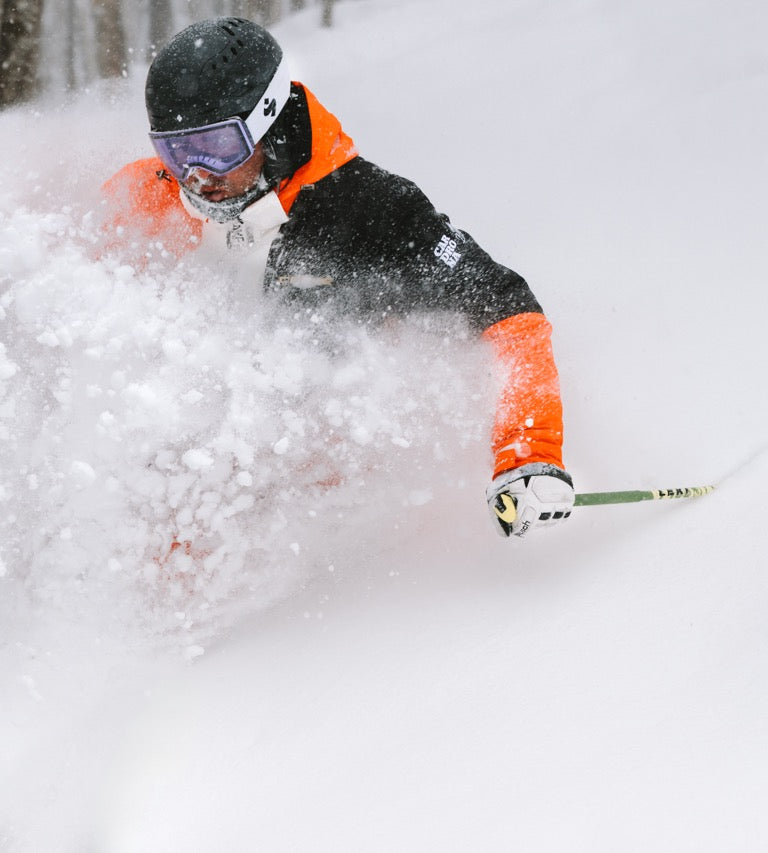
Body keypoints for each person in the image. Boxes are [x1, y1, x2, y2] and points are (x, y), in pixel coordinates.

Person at [101, 17, 573, 538]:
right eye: (175, 150)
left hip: (316, 500)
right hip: (184, 472)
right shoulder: (158, 193)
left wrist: (527, 453)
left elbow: (507, 306)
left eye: (217, 146)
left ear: (269, 123)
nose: (196, 175)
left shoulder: (371, 212)